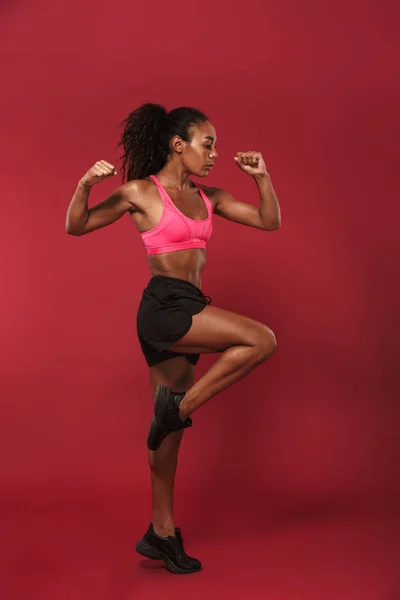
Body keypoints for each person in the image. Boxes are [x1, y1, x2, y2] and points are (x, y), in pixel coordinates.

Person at [65, 103, 281, 575]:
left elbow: (269, 221)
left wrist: (262, 177)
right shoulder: (141, 192)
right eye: (208, 144)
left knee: (166, 440)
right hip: (164, 308)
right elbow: (76, 225)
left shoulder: (210, 197)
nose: (215, 154)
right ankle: (178, 410)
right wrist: (84, 185)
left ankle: (160, 534)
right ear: (177, 144)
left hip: (189, 303)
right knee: (261, 339)